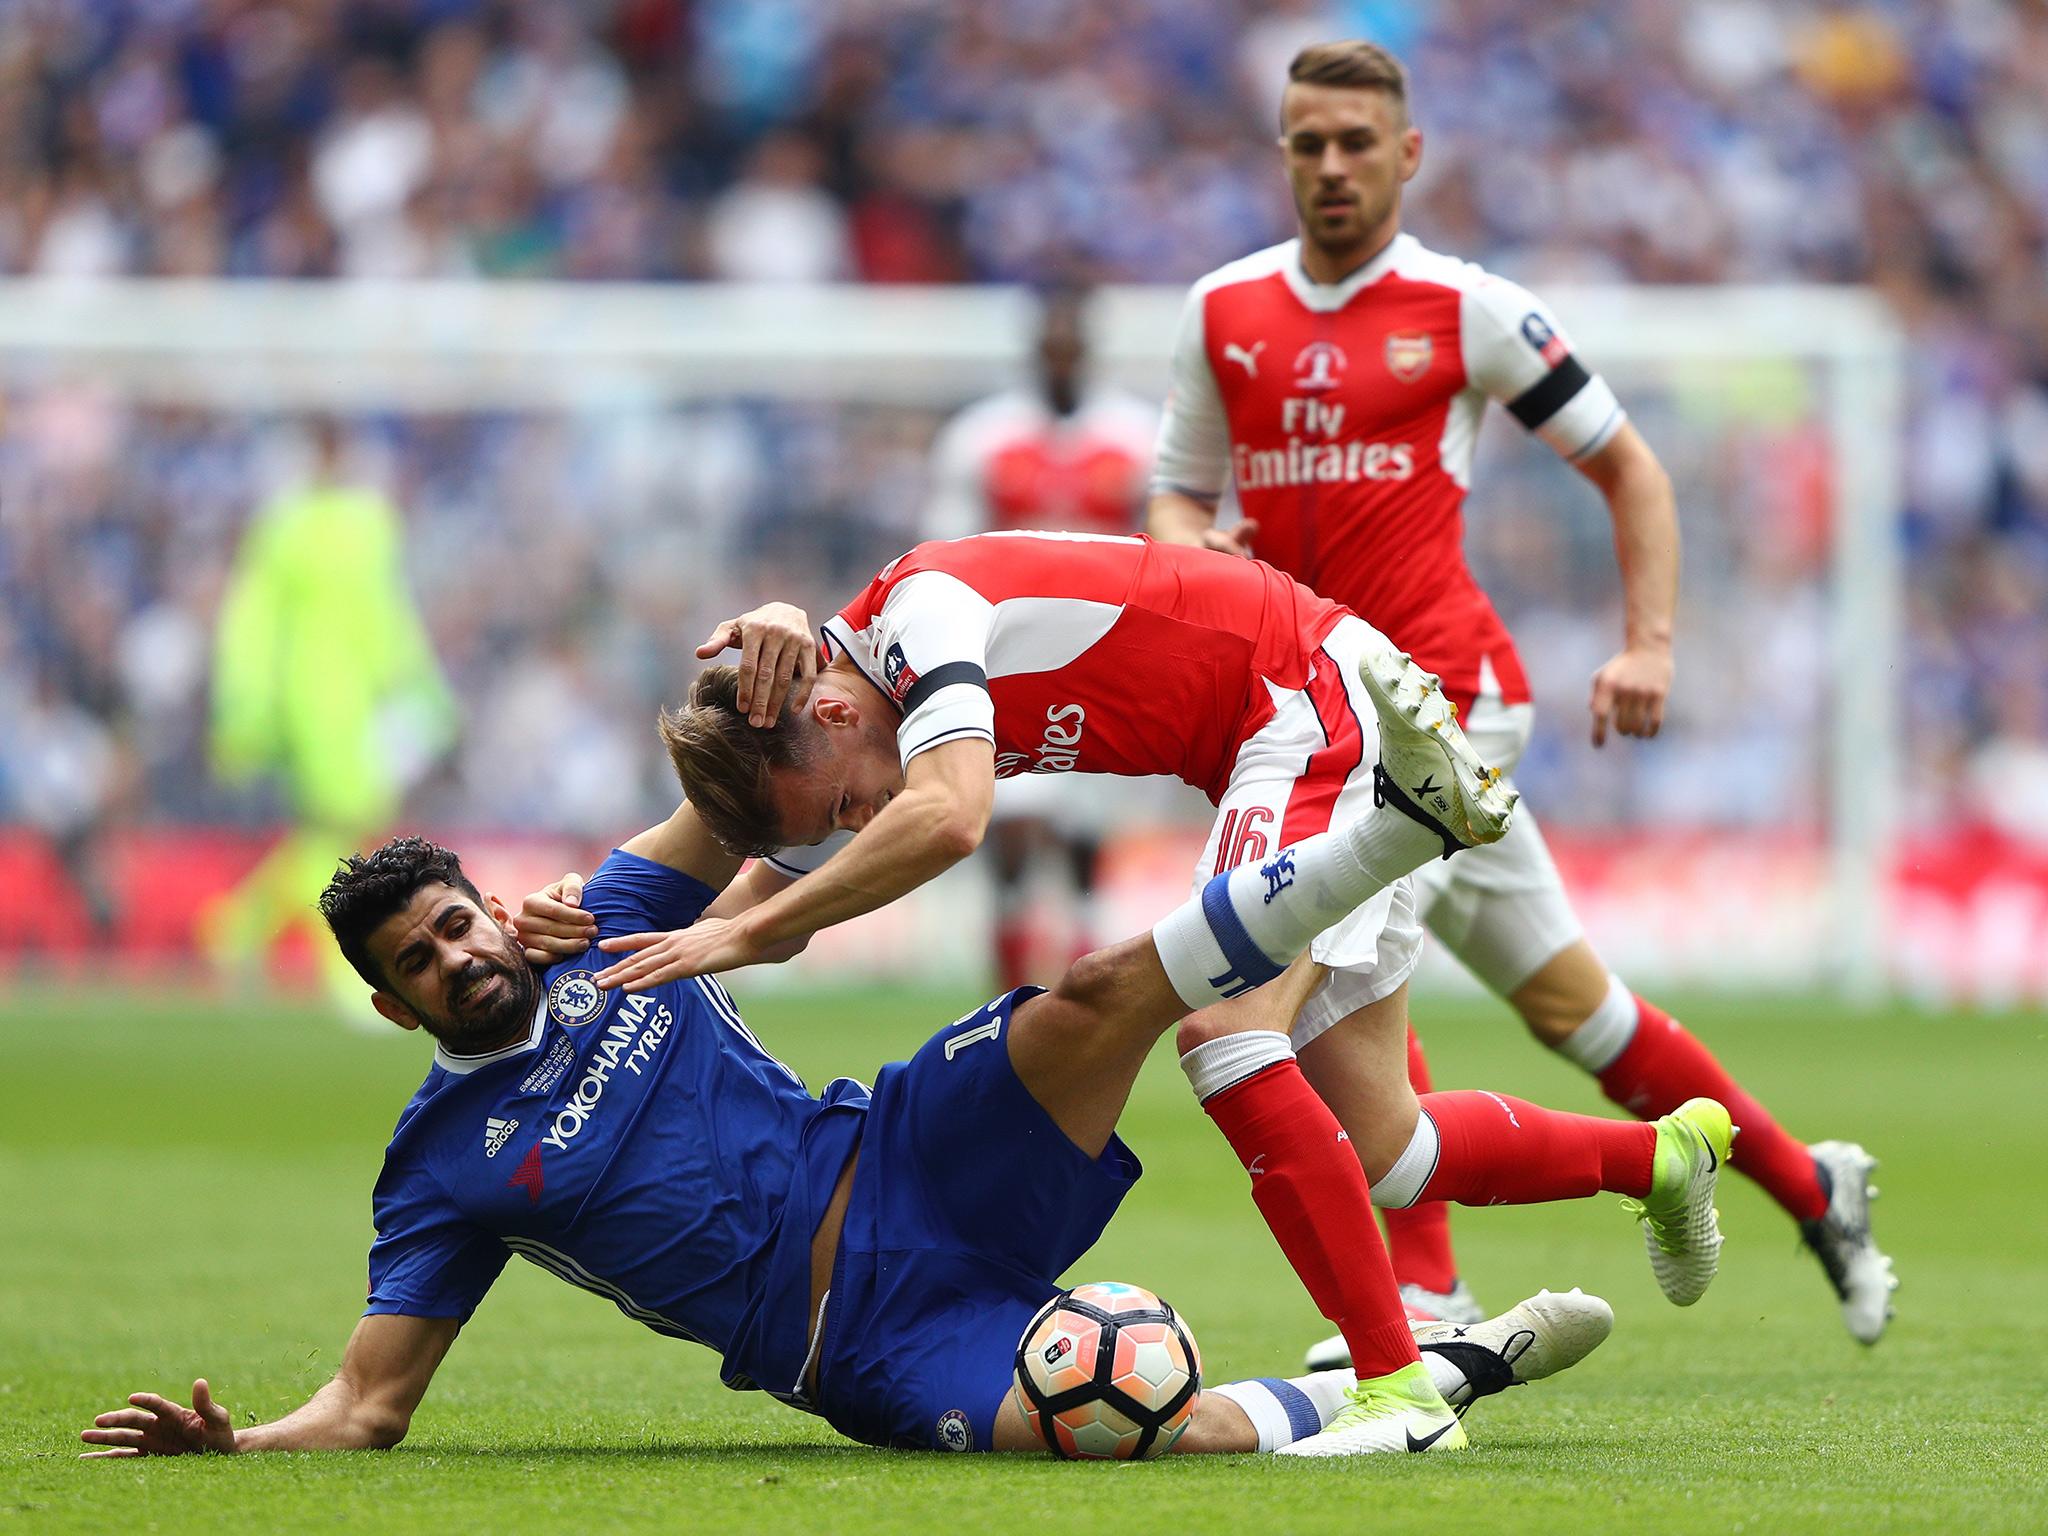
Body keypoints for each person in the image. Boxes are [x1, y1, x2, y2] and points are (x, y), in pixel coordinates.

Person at [521, 531, 1733, 1429]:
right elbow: (770, 916)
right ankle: (1665, 1157)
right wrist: (607, 943)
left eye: (844, 798)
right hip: (1284, 731)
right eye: (835, 821)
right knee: (1391, 1149)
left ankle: (1394, 1384)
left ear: (833, 708)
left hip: (1300, 700)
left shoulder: (923, 619)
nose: (857, 817)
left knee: (1218, 1030)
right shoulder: (852, 694)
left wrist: (735, 937)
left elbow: (946, 819)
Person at [80, 809, 1618, 1461]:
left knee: (1102, 985)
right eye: (417, 962)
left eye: (455, 923)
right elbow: (367, 1403)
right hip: (860, 1340)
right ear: (397, 1006)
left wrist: (755, 671)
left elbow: (734, 799)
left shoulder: (605, 918)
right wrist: (246, 1445)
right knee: (1134, 1425)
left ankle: (1370, 836)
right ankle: (1425, 1373)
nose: (457, 958)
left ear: (487, 903)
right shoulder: (441, 1166)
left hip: (906, 1150)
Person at [1143, 39, 1893, 1346]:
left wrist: (1649, 642)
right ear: (1282, 152)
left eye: (1357, 144)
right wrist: (1182, 555)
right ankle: (1807, 1180)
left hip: (1443, 703)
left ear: (1409, 154)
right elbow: (1175, 498)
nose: (1331, 167)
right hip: (1314, 707)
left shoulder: (1466, 306)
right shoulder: (1223, 313)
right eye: (1308, 142)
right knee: (1576, 1010)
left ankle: (1428, 1293)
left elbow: (1632, 470)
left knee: (1336, 970)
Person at [924, 284, 1160, 990]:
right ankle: (1009, 990)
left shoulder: (1135, 435)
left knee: (1087, 831)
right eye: (1050, 342)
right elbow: (942, 543)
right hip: (1011, 659)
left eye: (1071, 341)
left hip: (1106, 658)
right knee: (1014, 826)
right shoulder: (982, 437)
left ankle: (1083, 985)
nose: (1061, 354)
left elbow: (1169, 546)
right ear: (1035, 349)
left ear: (1086, 348)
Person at [199, 417, 457, 1013]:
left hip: (361, 698)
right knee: (341, 824)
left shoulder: (368, 522)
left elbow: (389, 612)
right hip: (310, 693)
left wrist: (421, 689)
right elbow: (255, 620)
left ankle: (237, 926)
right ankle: (337, 965)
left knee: (335, 828)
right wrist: (246, 708)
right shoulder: (284, 525)